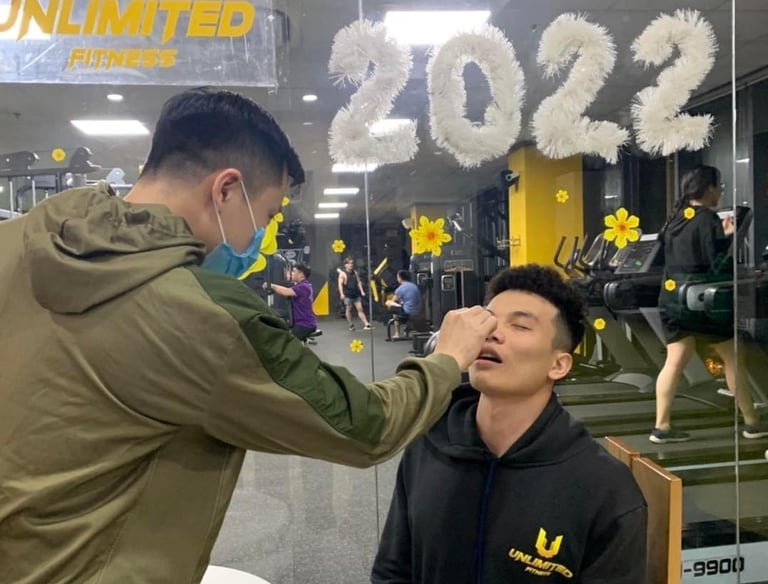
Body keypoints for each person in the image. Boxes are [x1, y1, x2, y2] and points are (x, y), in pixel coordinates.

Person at [0, 87, 500, 583]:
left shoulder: (17, 241)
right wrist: (446, 359)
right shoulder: (201, 312)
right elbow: (365, 427)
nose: (260, 237)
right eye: (267, 215)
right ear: (225, 190)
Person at [372, 265, 648, 584]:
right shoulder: (428, 444)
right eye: (488, 320)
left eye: (519, 326)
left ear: (558, 365)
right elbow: (392, 571)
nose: (492, 333)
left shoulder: (605, 489)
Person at [651, 165, 768, 443]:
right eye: (720, 187)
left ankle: (661, 427)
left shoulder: (677, 218)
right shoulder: (707, 218)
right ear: (710, 189)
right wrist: (728, 238)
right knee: (733, 356)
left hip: (672, 299)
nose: (720, 193)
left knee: (674, 360)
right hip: (699, 300)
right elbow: (715, 263)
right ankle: (752, 423)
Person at [266, 263, 318, 342]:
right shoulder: (303, 285)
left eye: (293, 271)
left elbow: (285, 292)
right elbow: (288, 286)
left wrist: (271, 285)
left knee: (287, 343)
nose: (291, 273)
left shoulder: (303, 287)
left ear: (301, 274)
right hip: (303, 322)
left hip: (304, 324)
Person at [385, 269, 422, 339]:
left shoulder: (400, 289)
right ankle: (407, 328)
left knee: (389, 304)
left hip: (408, 312)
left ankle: (397, 333)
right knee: (400, 305)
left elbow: (392, 301)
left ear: (399, 278)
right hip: (418, 311)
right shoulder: (414, 286)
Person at [338, 256, 372, 331]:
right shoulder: (342, 274)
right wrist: (341, 294)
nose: (351, 265)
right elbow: (340, 285)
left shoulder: (355, 272)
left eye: (352, 263)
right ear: (345, 265)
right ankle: (351, 325)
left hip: (356, 294)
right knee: (348, 310)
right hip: (348, 295)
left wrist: (362, 291)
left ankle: (366, 324)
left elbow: (358, 282)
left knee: (360, 309)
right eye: (349, 263)